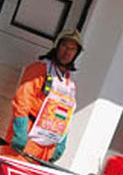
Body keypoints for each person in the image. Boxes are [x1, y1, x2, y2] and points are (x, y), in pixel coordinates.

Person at [8, 29, 83, 162]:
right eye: (64, 46)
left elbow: (67, 114)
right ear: (57, 46)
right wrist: (20, 131)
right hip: (29, 136)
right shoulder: (38, 69)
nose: (67, 52)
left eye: (72, 49)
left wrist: (62, 141)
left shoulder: (69, 83)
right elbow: (22, 100)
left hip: (49, 145)